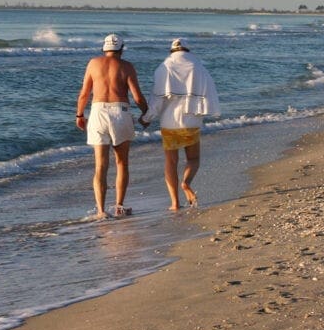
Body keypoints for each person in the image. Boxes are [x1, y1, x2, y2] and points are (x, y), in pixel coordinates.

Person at [140, 38, 220, 211]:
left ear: (172, 51)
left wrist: (146, 118)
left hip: (169, 123)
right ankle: (186, 183)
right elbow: (209, 92)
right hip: (191, 120)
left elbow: (158, 99)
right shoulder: (198, 67)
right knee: (193, 159)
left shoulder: (165, 67)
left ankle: (175, 203)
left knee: (171, 162)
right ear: (186, 50)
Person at [76, 33, 149, 218]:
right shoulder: (127, 66)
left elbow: (84, 93)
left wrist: (79, 114)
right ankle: (119, 206)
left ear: (104, 48)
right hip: (120, 111)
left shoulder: (93, 63)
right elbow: (137, 96)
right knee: (122, 162)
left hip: (98, 111)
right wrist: (146, 113)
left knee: (100, 165)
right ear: (121, 49)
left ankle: (100, 211)